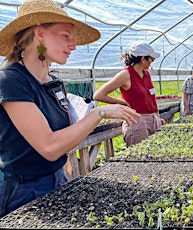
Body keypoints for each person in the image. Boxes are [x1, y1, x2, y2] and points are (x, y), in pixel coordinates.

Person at [0, 0, 140, 217]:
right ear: (39, 33)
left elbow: (65, 139)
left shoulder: (55, 83)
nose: (73, 45)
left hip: (57, 178)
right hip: (24, 191)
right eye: (66, 36)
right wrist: (98, 113)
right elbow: (49, 147)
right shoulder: (11, 81)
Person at [93, 40, 165, 147]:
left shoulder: (146, 74)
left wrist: (157, 117)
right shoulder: (126, 75)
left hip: (153, 119)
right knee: (140, 156)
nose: (152, 61)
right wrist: (124, 103)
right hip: (136, 121)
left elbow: (151, 98)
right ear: (143, 59)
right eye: (151, 58)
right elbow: (98, 95)